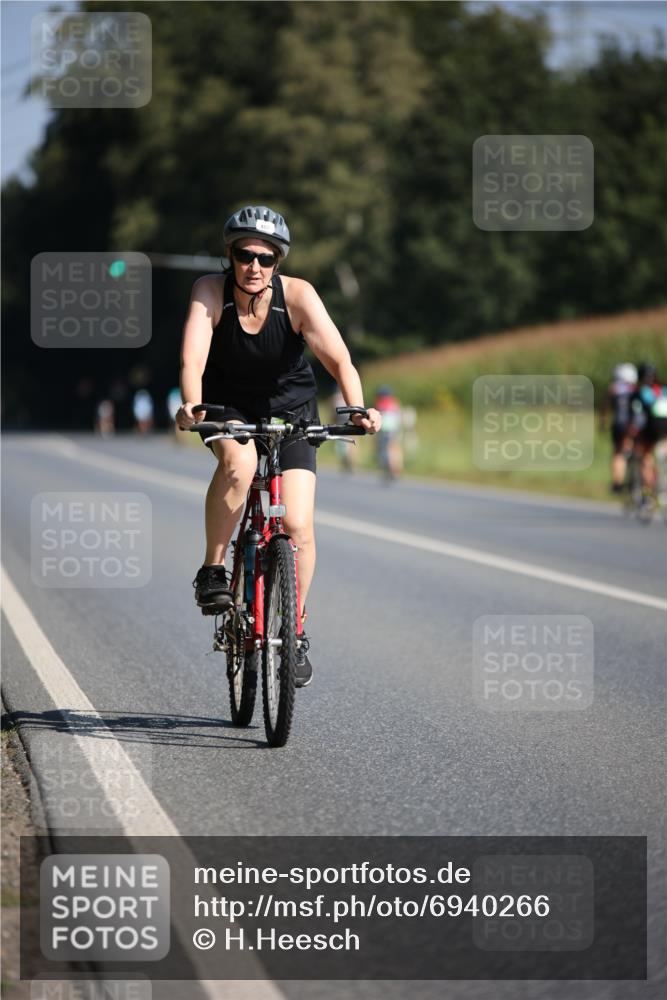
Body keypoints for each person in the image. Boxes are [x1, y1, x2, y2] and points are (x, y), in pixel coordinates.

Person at [176, 205, 381, 687]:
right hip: (226, 406)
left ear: (278, 262)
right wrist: (190, 405)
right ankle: (212, 569)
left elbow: (341, 361)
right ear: (230, 255)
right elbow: (192, 357)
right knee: (240, 463)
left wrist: (358, 408)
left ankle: (295, 632)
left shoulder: (300, 297)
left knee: (297, 524)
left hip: (292, 412)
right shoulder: (209, 292)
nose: (255, 266)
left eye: (266, 258)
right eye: (245, 255)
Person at [628, 361, 667, 499]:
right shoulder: (663, 390)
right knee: (662, 451)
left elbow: (636, 414)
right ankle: (662, 478)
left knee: (646, 457)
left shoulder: (640, 392)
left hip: (652, 426)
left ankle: (649, 491)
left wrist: (633, 430)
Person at [599, 363, 636, 493]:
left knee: (617, 453)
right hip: (635, 426)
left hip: (619, 425)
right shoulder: (636, 389)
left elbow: (605, 406)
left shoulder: (613, 388)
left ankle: (617, 483)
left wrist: (603, 422)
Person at [374, 385, 403, 480]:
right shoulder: (395, 403)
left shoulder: (379, 404)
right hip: (394, 429)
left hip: (383, 429)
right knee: (394, 448)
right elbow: (399, 417)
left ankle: (389, 468)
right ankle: (396, 468)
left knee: (384, 448)